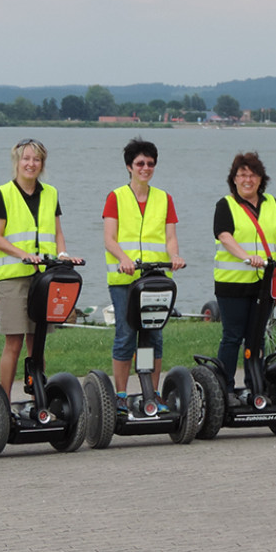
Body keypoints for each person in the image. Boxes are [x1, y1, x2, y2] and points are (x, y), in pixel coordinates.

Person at [0, 137, 81, 399]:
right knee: (14, 341)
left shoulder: (50, 193)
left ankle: (38, 399)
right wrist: (24, 255)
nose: (31, 164)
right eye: (26, 159)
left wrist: (63, 255)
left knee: (37, 343)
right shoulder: (3, 193)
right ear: (17, 162)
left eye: (36, 159)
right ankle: (2, 403)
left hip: (44, 278)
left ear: (42, 164)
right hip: (13, 278)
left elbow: (57, 232)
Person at [214, 152, 276, 393]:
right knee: (233, 336)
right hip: (232, 284)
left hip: (263, 284)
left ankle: (256, 386)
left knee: (257, 336)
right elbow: (224, 236)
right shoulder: (226, 205)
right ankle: (225, 388)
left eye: (252, 175)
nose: (247, 180)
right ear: (233, 179)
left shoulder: (272, 203)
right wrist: (245, 257)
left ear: (261, 179)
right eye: (242, 174)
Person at [102, 138, 185, 402]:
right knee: (126, 335)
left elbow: (170, 237)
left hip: (155, 280)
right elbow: (109, 239)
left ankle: (152, 391)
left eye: (150, 163)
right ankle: (122, 394)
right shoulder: (116, 197)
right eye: (140, 163)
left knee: (152, 336)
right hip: (124, 279)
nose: (145, 168)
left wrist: (174, 256)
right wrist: (124, 259)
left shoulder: (164, 198)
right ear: (129, 166)